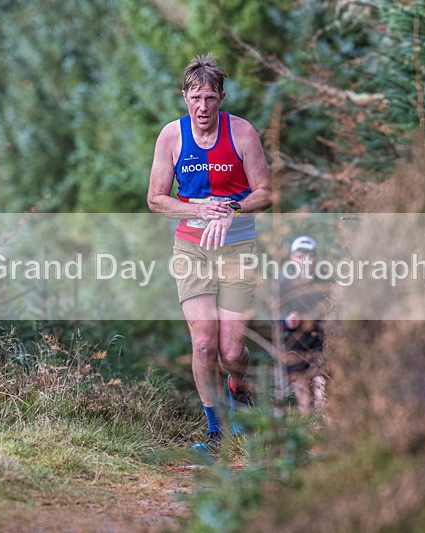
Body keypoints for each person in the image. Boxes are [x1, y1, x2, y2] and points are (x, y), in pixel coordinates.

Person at [147, 54, 272, 452]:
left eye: (210, 98)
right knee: (203, 344)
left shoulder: (242, 133)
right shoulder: (171, 136)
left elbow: (266, 193)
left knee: (232, 351)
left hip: (238, 246)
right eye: (195, 98)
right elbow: (155, 199)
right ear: (184, 97)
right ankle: (215, 431)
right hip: (192, 246)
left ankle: (239, 390)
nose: (202, 107)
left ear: (221, 97)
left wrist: (233, 208)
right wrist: (198, 209)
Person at [280, 235, 330, 415]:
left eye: (309, 256)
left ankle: (323, 426)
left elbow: (333, 310)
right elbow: (274, 315)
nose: (305, 261)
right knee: (303, 396)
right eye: (300, 256)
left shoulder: (325, 281)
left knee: (321, 389)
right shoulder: (283, 284)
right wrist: (286, 319)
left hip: (320, 343)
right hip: (294, 347)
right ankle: (306, 428)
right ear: (292, 257)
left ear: (315, 257)